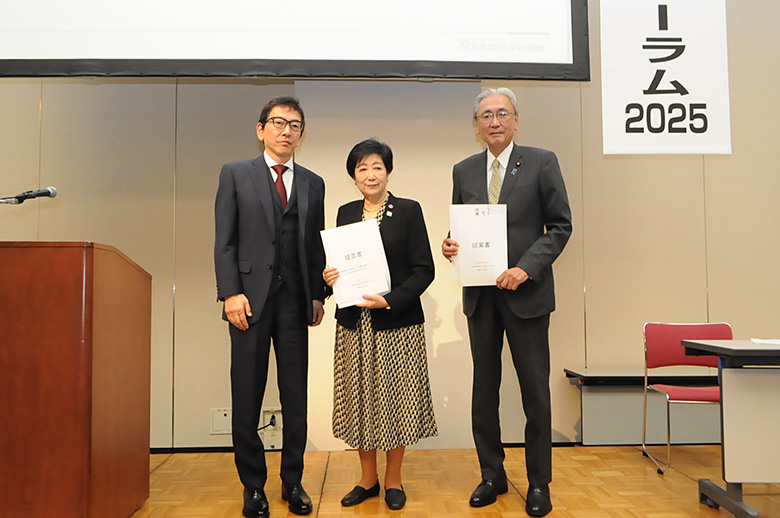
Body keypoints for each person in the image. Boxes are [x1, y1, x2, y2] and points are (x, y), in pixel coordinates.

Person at [441, 88, 572, 517]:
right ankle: (492, 475)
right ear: (476, 125)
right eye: (485, 115)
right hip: (481, 298)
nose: (493, 121)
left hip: (527, 296)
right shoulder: (464, 170)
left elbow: (559, 226)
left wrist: (525, 268)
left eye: (502, 113)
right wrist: (451, 247)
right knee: (485, 391)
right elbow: (464, 228)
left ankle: (538, 484)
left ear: (516, 119)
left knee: (535, 392)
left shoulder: (542, 161)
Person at [214, 96, 326, 518]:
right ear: (260, 129)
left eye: (295, 125)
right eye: (278, 123)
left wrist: (317, 294)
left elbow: (314, 245)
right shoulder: (236, 174)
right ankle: (253, 487)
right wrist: (230, 294)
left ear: (301, 134)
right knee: (247, 396)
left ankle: (292, 482)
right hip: (248, 303)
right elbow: (224, 241)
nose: (286, 131)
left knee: (295, 396)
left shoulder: (314, 182)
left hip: (296, 304)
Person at [323, 138, 437, 511]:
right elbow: (338, 265)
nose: (370, 175)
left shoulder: (408, 210)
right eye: (362, 169)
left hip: (397, 324)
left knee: (395, 400)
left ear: (388, 172)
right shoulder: (345, 213)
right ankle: (367, 479)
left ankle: (393, 479)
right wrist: (330, 276)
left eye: (377, 167)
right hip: (355, 323)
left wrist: (390, 299)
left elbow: (425, 270)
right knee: (360, 401)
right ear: (353, 177)